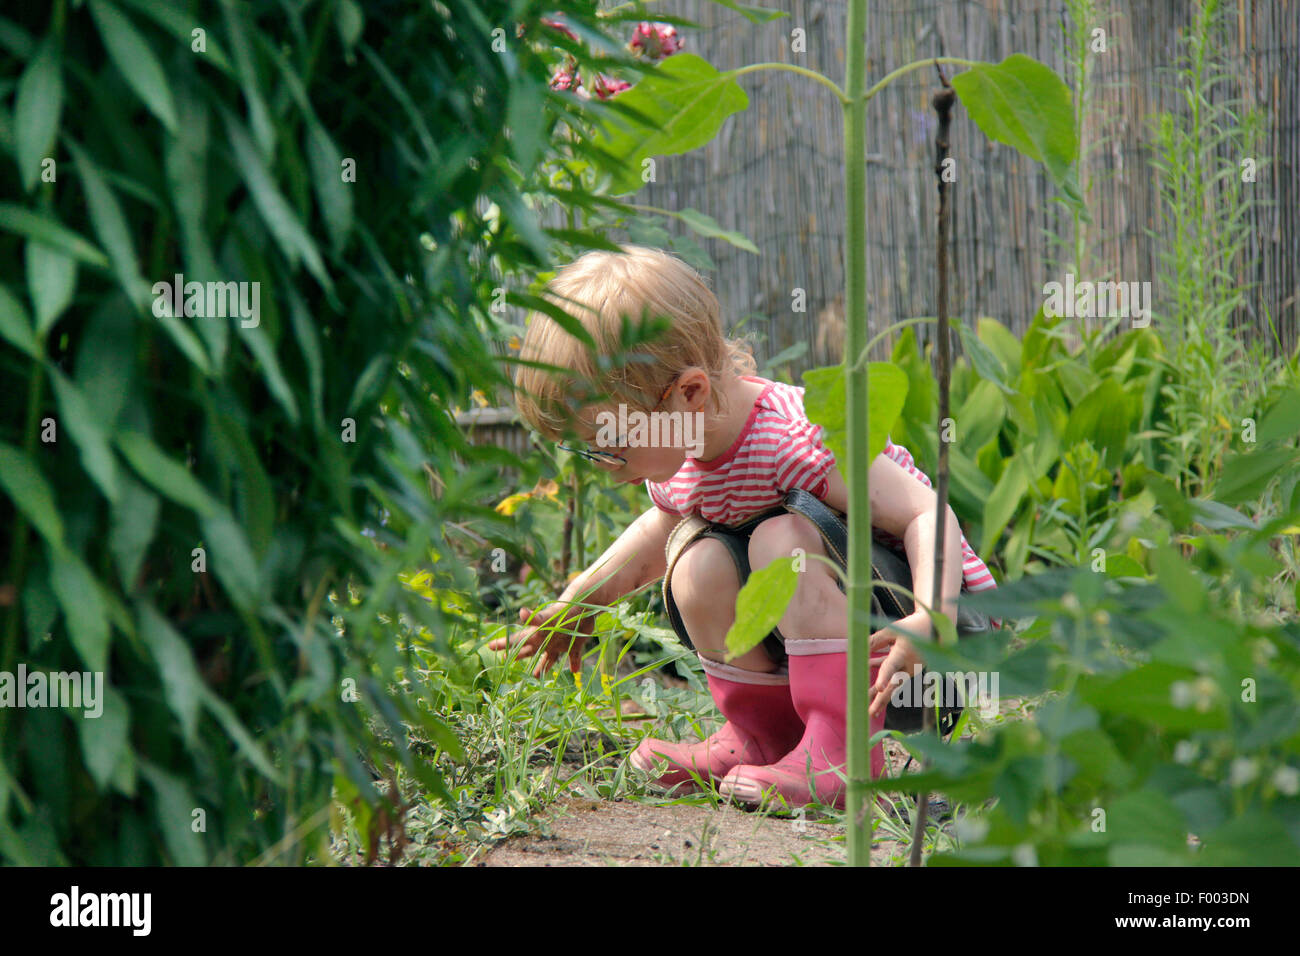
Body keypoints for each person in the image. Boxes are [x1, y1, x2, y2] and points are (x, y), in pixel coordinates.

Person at [489, 246, 997, 809]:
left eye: (610, 448)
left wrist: (931, 616)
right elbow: (658, 533)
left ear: (689, 392)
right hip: (852, 638)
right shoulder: (684, 448)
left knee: (780, 541)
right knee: (696, 564)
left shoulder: (792, 440)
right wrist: (583, 600)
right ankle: (765, 741)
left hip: (929, 649)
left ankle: (845, 753)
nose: (608, 471)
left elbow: (929, 511)